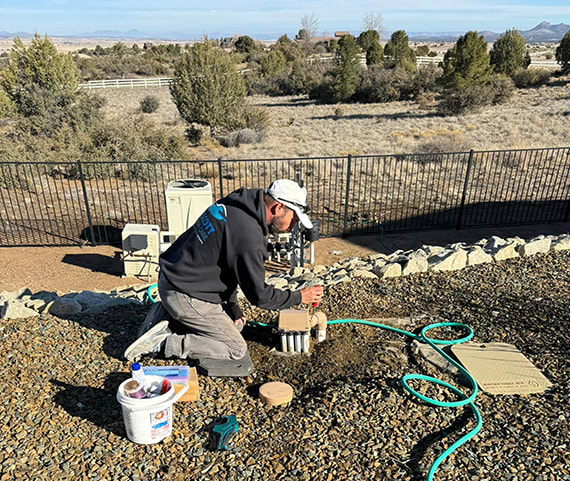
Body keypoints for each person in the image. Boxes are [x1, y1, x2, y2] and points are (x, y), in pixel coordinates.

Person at [124, 179, 323, 362]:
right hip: (184, 293)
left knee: (235, 324)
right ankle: (162, 343)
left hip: (174, 278)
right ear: (279, 207)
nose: (293, 226)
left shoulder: (236, 204)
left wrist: (232, 304)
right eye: (294, 218)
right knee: (234, 348)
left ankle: (167, 315)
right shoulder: (249, 237)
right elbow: (260, 296)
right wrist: (298, 297)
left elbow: (225, 266)